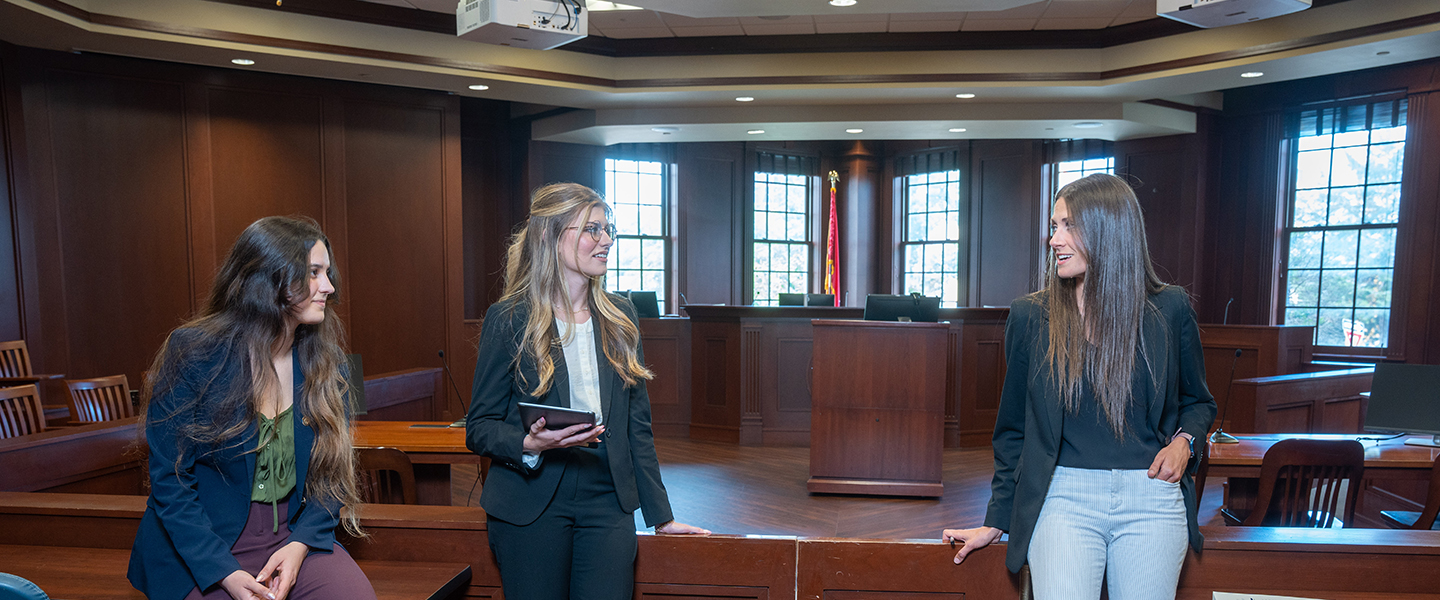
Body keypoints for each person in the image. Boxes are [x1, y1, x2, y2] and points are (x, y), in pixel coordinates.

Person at [942, 174, 1216, 600]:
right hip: (1062, 497)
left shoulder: (1170, 308)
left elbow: (1198, 403)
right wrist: (998, 516)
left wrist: (1185, 443)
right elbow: (1012, 430)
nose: (1054, 239)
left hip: (1152, 497)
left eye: (1069, 225)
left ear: (1111, 230)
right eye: (1054, 226)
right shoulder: (1031, 316)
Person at [467, 182, 710, 600]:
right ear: (549, 235)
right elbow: (480, 427)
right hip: (530, 501)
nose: (606, 241)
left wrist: (661, 516)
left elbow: (638, 430)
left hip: (606, 500)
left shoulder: (621, 317)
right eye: (591, 230)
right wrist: (529, 442)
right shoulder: (509, 318)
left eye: (607, 229)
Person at [129, 216, 376, 600]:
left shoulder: (333, 364)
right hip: (203, 544)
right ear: (268, 278)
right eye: (313, 273)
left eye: (327, 273)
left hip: (292, 537)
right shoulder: (191, 351)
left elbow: (333, 479)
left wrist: (300, 546)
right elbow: (170, 482)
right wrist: (222, 571)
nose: (328, 287)